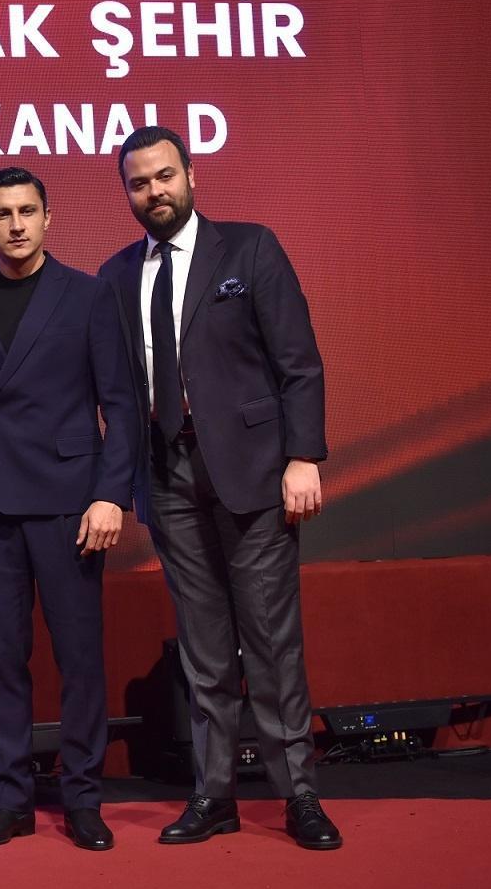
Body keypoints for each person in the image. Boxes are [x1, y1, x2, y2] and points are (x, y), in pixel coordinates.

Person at [96, 126, 338, 850]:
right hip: (166, 477)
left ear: (192, 175)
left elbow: (299, 361)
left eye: (165, 176)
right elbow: (121, 391)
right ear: (127, 193)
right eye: (139, 183)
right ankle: (214, 794)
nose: (154, 191)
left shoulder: (250, 248)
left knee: (270, 642)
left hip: (256, 475)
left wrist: (303, 456)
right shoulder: (116, 274)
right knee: (203, 651)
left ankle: (299, 794)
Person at [0, 167, 137, 853]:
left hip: (69, 501)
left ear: (48, 217)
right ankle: (11, 801)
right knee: (2, 659)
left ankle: (83, 798)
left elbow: (121, 405)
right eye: (2, 214)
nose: (16, 224)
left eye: (27, 211)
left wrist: (110, 494)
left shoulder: (88, 294)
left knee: (79, 658)